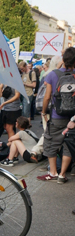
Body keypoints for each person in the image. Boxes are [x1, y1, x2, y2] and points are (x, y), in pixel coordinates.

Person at [37, 47, 75, 183]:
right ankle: (62, 175)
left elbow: (47, 97)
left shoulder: (53, 74)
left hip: (56, 116)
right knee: (68, 145)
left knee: (50, 143)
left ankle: (53, 172)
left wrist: (43, 112)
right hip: (72, 118)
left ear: (63, 59)